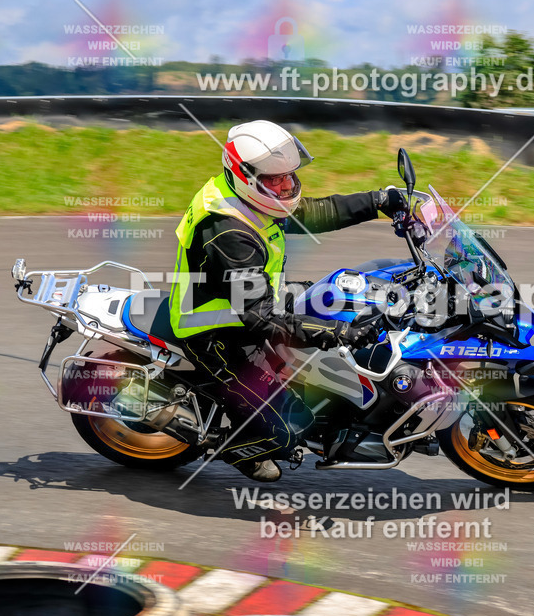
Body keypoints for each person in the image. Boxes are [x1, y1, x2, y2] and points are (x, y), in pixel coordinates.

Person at [168, 120, 409, 482]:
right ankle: (238, 449)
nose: (286, 185)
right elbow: (260, 317)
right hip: (217, 331)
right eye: (275, 179)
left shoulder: (249, 196)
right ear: (246, 175)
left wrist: (377, 201)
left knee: (345, 295)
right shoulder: (230, 230)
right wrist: (333, 333)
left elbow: (315, 213)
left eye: (289, 176)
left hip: (252, 298)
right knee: (288, 426)